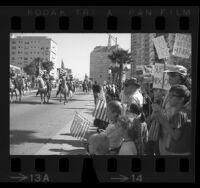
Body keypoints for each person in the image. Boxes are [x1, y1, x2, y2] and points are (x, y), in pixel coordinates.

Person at [152, 85, 191, 155]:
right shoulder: (186, 111)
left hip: (178, 152)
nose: (169, 98)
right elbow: (177, 128)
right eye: (169, 95)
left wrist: (164, 122)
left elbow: (176, 136)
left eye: (172, 96)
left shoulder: (179, 114)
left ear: (181, 99)